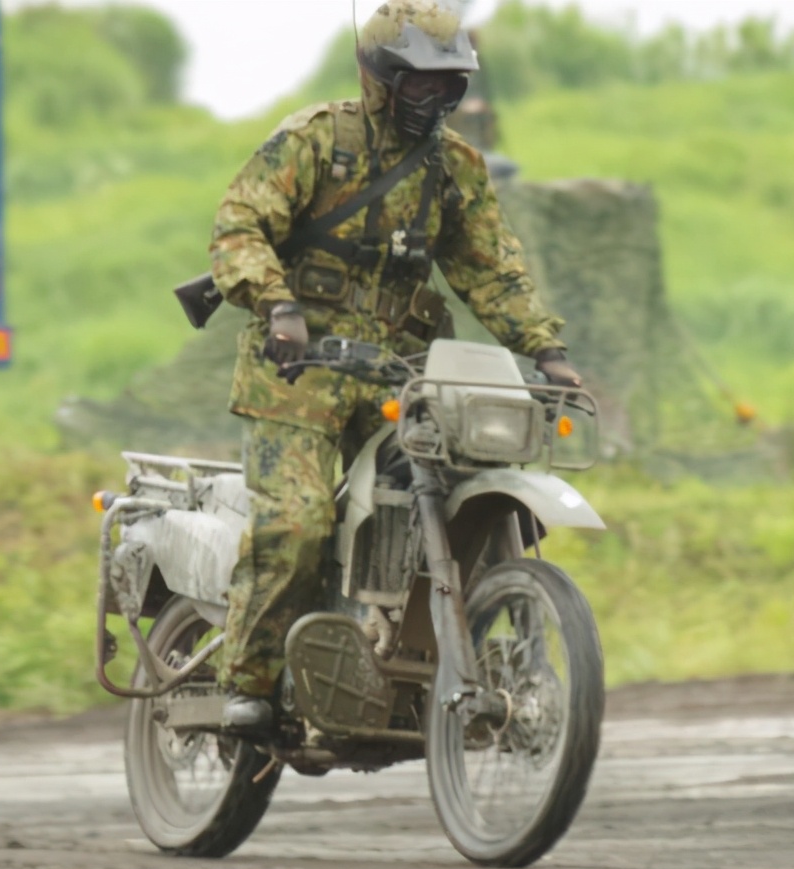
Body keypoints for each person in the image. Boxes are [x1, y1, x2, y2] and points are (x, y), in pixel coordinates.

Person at [208, 0, 581, 731]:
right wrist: (278, 306)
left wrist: (547, 349)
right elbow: (238, 228)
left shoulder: (456, 169)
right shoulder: (315, 142)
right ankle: (249, 680)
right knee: (299, 521)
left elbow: (492, 271)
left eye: (449, 87)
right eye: (421, 85)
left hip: (402, 376)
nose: (435, 101)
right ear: (383, 78)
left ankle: (423, 661)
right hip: (299, 376)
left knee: (461, 497)